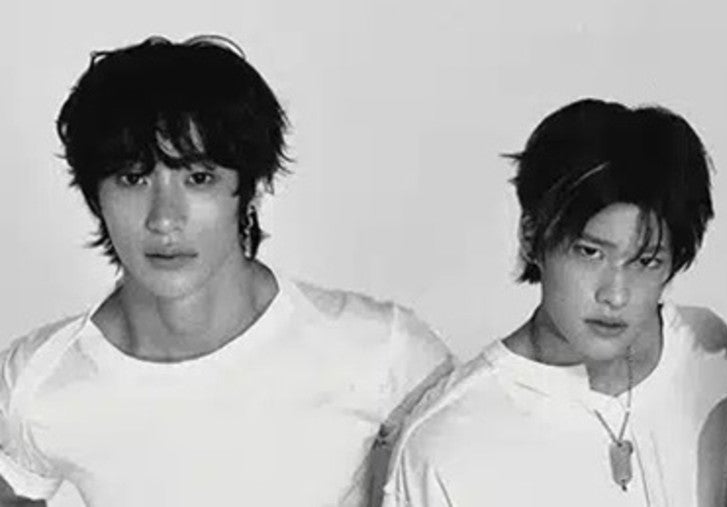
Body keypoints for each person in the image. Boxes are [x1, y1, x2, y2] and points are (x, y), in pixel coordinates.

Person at [0, 35, 453, 506]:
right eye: (133, 179)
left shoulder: (382, 351)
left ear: (251, 190)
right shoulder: (36, 383)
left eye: (199, 179)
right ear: (96, 196)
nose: (164, 219)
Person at [384, 99, 727, 506]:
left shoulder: (705, 352)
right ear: (531, 237)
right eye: (590, 252)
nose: (615, 295)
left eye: (646, 261)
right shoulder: (445, 442)